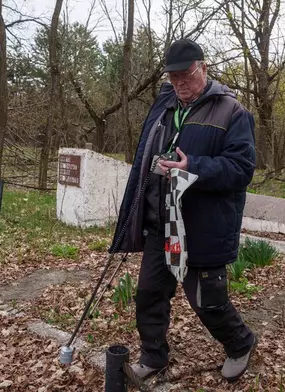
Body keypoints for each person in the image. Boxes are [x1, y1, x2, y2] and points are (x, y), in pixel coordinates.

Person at [108, 38, 257, 382]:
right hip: (162, 223)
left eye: (186, 76)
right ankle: (153, 355)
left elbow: (242, 169)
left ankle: (240, 343)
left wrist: (194, 168)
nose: (180, 84)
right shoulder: (165, 110)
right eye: (173, 78)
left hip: (202, 229)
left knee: (208, 301)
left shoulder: (232, 112)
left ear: (204, 68)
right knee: (149, 293)